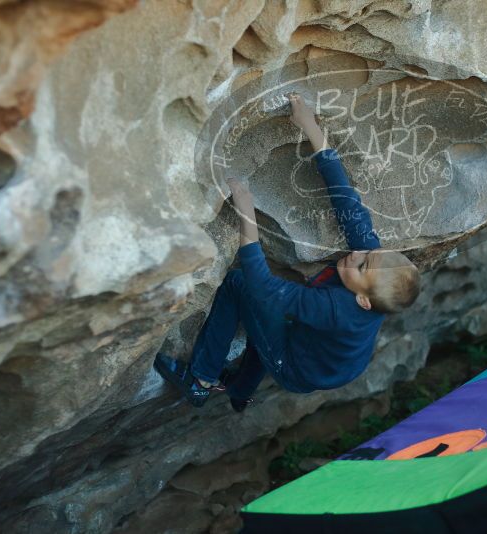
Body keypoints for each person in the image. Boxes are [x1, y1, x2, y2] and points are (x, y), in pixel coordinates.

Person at [154, 92, 421, 412]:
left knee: (240, 287)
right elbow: (345, 199)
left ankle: (201, 380)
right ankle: (240, 390)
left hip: (297, 369)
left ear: (364, 300)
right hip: (329, 360)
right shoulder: (370, 271)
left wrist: (246, 214)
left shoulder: (339, 307)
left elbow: (263, 288)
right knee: (273, 320)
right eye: (369, 255)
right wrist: (310, 126)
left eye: (362, 266)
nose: (357, 255)